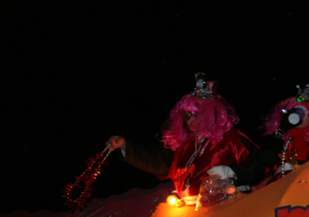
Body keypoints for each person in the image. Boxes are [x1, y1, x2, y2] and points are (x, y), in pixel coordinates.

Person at [106, 74, 261, 204]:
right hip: (190, 214)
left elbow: (258, 166)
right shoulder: (182, 145)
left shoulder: (230, 136)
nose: (191, 119)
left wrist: (231, 172)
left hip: (228, 205)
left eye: (196, 113)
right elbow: (156, 161)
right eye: (187, 115)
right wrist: (126, 146)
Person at [259, 83, 309, 181]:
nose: (299, 117)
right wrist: (283, 127)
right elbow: (265, 159)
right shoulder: (279, 138)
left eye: (305, 113)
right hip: (280, 184)